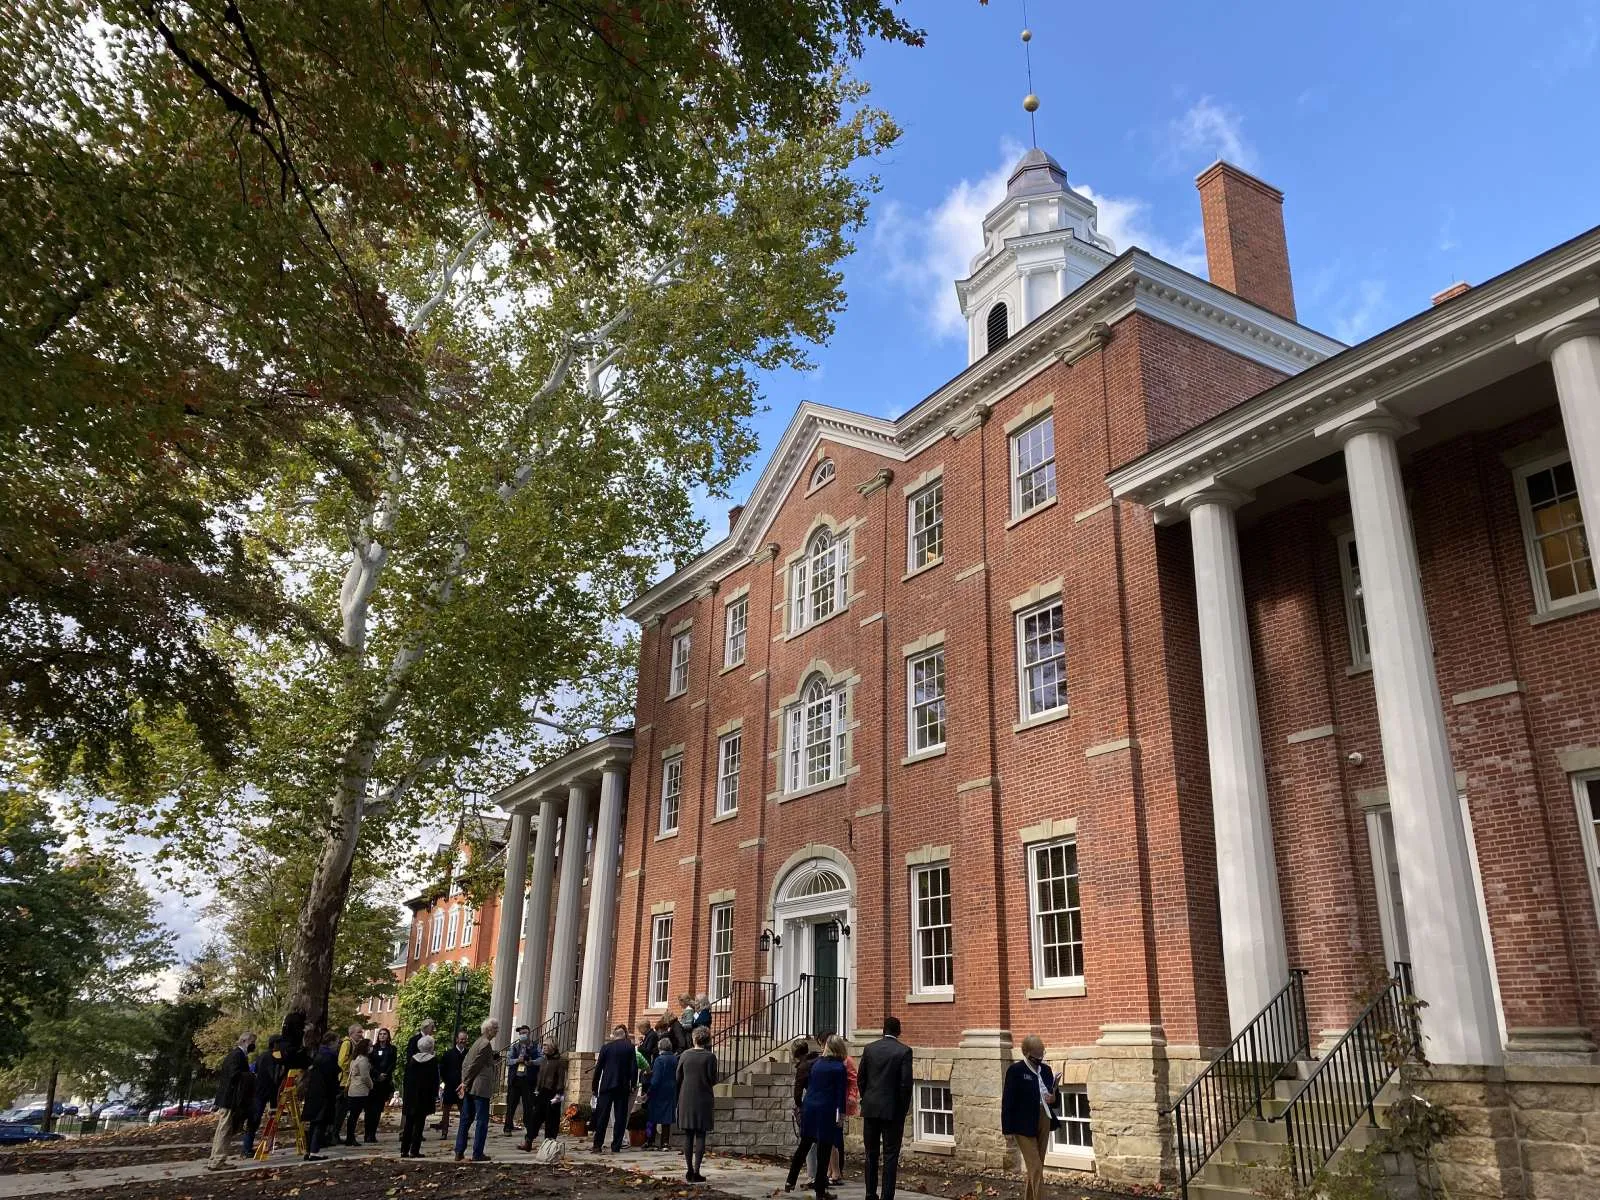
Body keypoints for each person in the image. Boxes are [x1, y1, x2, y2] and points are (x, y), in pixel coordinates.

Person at [857, 1016, 914, 1200]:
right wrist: (903, 1109)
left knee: (871, 1154)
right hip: (892, 1111)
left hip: (871, 1108)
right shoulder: (904, 1051)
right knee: (890, 1155)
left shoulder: (869, 1049)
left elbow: (861, 1079)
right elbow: (906, 1085)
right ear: (899, 1031)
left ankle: (870, 1193)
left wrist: (866, 1098)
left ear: (884, 1030)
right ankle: (887, 1196)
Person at [786, 1034, 847, 1198]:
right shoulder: (839, 1067)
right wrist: (841, 1115)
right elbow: (841, 1093)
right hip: (826, 1110)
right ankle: (820, 1189)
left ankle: (790, 1180)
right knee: (824, 1149)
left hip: (810, 1107)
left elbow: (811, 1084)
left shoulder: (816, 1064)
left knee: (804, 1145)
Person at [1001, 1035, 1059, 1200]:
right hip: (1022, 1124)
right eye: (1036, 1056)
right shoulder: (1016, 1071)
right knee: (1035, 1168)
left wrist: (1054, 1098)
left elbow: (1055, 1098)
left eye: (1042, 1055)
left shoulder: (1046, 1070)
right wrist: (1007, 1129)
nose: (1040, 1059)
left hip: (1044, 1118)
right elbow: (1008, 1101)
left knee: (1037, 1166)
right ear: (1025, 1053)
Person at [454, 1017, 499, 1162]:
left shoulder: (477, 1042)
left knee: (465, 1119)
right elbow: (474, 1065)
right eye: (495, 1028)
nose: (497, 1031)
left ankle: (459, 1151)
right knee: (482, 1121)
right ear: (489, 1029)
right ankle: (477, 1153)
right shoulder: (485, 1044)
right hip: (479, 1088)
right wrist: (465, 1083)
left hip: (471, 1087)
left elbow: (466, 1063)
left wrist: (464, 1082)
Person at [675, 1025, 717, 1181]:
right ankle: (697, 1171)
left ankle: (689, 1170)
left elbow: (678, 1077)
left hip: (686, 1097)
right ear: (707, 1040)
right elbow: (713, 1079)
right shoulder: (710, 1057)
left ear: (694, 1038)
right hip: (704, 1097)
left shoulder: (685, 1055)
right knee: (701, 1135)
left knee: (688, 1134)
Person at [208, 1030, 255, 1171]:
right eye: (252, 1042)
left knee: (223, 1129)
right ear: (245, 1041)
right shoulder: (237, 1056)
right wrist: (251, 1076)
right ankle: (218, 1160)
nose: (254, 1045)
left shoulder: (235, 1055)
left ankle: (216, 1159)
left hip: (227, 1098)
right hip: (230, 1099)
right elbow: (235, 1076)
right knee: (225, 1129)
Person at [589, 1024, 638, 1154]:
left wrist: (594, 1086)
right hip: (622, 1086)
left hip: (606, 1085)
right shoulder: (630, 1048)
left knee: (602, 1116)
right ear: (624, 1036)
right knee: (620, 1117)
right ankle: (616, 1146)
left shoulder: (606, 1048)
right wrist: (633, 1084)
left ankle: (597, 1145)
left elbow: (599, 1068)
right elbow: (634, 1067)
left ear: (613, 1036)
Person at [242, 1034, 287, 1159]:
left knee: (254, 1119)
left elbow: (255, 1069)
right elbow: (274, 1076)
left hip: (262, 1091)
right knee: (254, 1119)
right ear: (275, 1044)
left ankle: (248, 1147)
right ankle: (246, 1148)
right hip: (263, 1092)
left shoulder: (263, 1056)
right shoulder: (269, 1057)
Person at [300, 1032, 341, 1161]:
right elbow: (331, 1076)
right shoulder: (329, 1057)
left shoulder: (318, 1055)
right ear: (332, 1042)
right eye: (337, 1042)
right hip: (324, 1094)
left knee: (314, 1123)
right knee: (320, 1123)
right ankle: (314, 1150)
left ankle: (309, 1150)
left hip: (314, 1093)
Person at [400, 1034, 440, 1158]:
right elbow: (435, 1080)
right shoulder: (432, 1061)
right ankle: (414, 1150)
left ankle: (404, 1150)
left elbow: (406, 1079)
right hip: (424, 1096)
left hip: (411, 1095)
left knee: (409, 1123)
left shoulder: (412, 1060)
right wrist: (435, 1094)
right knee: (419, 1124)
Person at [521, 1040, 565, 1151]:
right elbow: (540, 1076)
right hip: (542, 1092)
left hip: (553, 1092)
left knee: (552, 1120)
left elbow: (561, 1079)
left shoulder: (559, 1061)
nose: (543, 1047)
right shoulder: (544, 1060)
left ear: (552, 1047)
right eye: (543, 1045)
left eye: (546, 1045)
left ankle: (548, 1145)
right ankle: (528, 1141)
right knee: (535, 1118)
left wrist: (558, 1095)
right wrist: (537, 1091)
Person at [645, 1035, 678, 1150]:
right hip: (671, 1090)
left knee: (651, 1116)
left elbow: (656, 1078)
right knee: (667, 1117)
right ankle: (664, 1142)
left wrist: (649, 1091)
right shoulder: (675, 1059)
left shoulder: (659, 1060)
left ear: (660, 1048)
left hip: (658, 1091)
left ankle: (650, 1140)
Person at [334, 1022, 363, 1146]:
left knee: (344, 1111)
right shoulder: (347, 1044)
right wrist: (352, 1069)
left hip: (349, 1081)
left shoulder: (355, 1044)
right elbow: (342, 1061)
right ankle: (334, 1134)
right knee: (340, 1110)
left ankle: (336, 1133)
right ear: (351, 1033)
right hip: (344, 1082)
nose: (361, 1035)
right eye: (359, 1032)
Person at [367, 1027, 397, 1143]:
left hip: (384, 1082)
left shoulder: (392, 1049)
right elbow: (370, 1063)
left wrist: (385, 1074)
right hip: (374, 1081)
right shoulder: (373, 1049)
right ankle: (367, 1133)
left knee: (378, 1109)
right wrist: (377, 1074)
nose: (382, 1036)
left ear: (388, 1036)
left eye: (385, 1034)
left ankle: (373, 1133)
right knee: (370, 1109)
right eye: (380, 1034)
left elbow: (393, 1063)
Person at [503, 1025, 534, 1134]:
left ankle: (529, 1127)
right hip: (515, 1079)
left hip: (528, 1079)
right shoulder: (514, 1047)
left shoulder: (535, 1046)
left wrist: (531, 1062)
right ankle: (508, 1127)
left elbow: (540, 1059)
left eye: (524, 1033)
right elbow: (508, 1061)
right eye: (521, 1034)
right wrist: (517, 1060)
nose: (522, 1035)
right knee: (511, 1104)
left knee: (528, 1105)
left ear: (529, 1033)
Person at [437, 1029, 468, 1138]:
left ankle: (463, 1132)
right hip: (450, 1086)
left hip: (463, 1086)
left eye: (464, 1039)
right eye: (461, 1039)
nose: (462, 1041)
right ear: (456, 1040)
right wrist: (446, 1080)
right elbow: (442, 1069)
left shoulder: (468, 1054)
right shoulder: (448, 1054)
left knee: (464, 1111)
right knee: (446, 1111)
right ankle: (444, 1132)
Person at [342, 1038, 373, 1145]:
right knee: (354, 1115)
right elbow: (365, 1076)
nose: (371, 1048)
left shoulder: (355, 1059)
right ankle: (350, 1137)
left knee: (353, 1115)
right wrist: (371, 1085)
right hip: (360, 1090)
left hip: (353, 1089)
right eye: (370, 1046)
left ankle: (349, 1137)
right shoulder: (363, 1060)